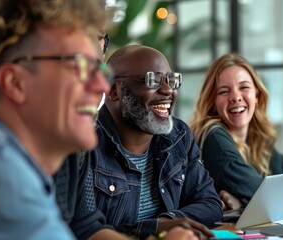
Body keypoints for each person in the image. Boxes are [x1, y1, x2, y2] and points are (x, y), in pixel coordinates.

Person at [0, 0, 114, 238]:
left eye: (99, 69)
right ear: (15, 83)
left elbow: (86, 225)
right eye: (80, 66)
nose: (102, 85)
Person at [76, 44, 222, 239]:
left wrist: (170, 222)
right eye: (153, 80)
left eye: (171, 80)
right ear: (113, 90)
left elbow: (210, 203)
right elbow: (84, 230)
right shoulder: (83, 146)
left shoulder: (178, 136)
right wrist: (155, 227)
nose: (168, 90)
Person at [189, 53, 283, 209]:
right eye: (224, 91)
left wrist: (241, 202)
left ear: (257, 94)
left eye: (244, 87)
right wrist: (249, 199)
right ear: (212, 101)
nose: (236, 97)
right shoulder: (212, 135)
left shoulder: (257, 137)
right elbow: (263, 193)